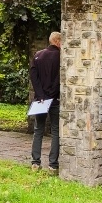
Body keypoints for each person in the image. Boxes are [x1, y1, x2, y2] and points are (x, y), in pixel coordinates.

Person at [29, 32, 62, 173]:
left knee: (38, 130)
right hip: (54, 99)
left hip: (40, 100)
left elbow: (33, 77)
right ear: (58, 41)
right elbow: (59, 78)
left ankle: (35, 162)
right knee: (55, 131)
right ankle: (53, 164)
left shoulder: (38, 55)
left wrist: (41, 95)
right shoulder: (61, 57)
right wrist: (51, 94)